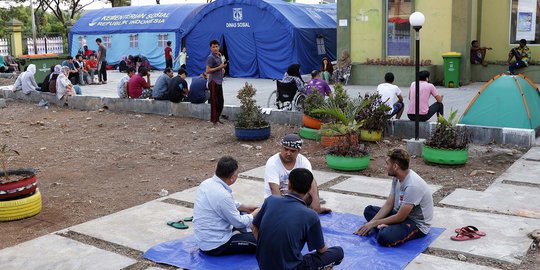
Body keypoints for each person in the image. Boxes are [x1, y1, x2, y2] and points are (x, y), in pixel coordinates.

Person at [253, 168, 344, 270]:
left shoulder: (271, 200)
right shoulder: (311, 216)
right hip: (293, 267)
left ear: (289, 184)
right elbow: (321, 250)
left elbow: (254, 227)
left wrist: (266, 249)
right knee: (338, 252)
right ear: (309, 188)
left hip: (263, 264)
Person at [354, 148, 433, 247]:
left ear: (395, 166)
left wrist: (374, 224)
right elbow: (389, 204)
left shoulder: (413, 186)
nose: (385, 166)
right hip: (400, 214)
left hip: (415, 223)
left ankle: (386, 228)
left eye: (387, 164)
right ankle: (387, 226)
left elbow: (400, 217)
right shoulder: (397, 178)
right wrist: (372, 222)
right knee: (369, 210)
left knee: (384, 237)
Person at [193, 156, 260, 256]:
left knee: (243, 212)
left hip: (204, 237)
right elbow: (239, 223)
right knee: (261, 240)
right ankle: (240, 235)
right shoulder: (223, 195)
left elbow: (227, 204)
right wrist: (255, 213)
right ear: (232, 177)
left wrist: (245, 207)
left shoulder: (206, 183)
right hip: (216, 245)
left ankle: (240, 233)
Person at [264, 134, 330, 214]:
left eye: (292, 151)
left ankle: (301, 209)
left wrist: (316, 200)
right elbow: (274, 190)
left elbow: (311, 181)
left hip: (297, 199)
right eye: (286, 149)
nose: (288, 153)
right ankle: (298, 210)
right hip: (277, 200)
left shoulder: (303, 161)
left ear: (298, 151)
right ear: (281, 148)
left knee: (311, 193)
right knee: (274, 204)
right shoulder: (272, 163)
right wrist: (283, 207)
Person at [206, 40, 227, 124]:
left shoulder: (219, 55)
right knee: (214, 102)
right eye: (213, 47)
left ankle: (217, 118)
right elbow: (207, 70)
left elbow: (221, 66)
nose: (215, 48)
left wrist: (222, 69)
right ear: (210, 48)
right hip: (213, 81)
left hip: (219, 81)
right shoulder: (210, 57)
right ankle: (214, 120)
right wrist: (220, 67)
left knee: (221, 101)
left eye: (217, 46)